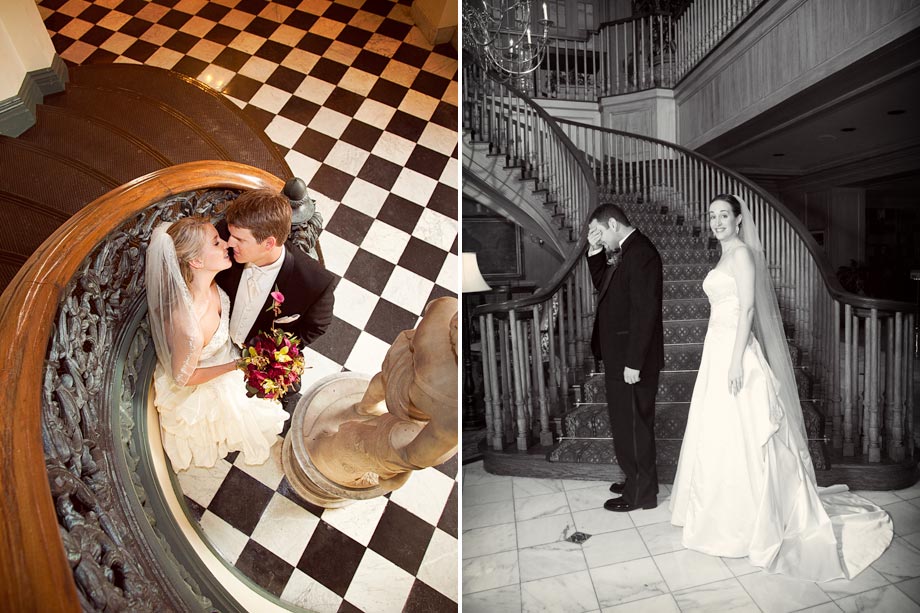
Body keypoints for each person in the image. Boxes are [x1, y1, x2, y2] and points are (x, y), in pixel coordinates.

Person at [669, 194, 892, 581]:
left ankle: (748, 520)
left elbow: (749, 309)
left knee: (745, 432)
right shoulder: (723, 255)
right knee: (718, 433)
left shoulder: (741, 255)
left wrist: (737, 359)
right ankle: (716, 513)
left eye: (724, 215)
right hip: (717, 347)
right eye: (712, 216)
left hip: (735, 352)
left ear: (739, 221)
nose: (717, 221)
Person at [145, 218, 290, 470]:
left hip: (225, 353)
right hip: (200, 379)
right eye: (216, 242)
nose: (226, 244)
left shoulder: (211, 281)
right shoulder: (189, 324)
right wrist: (235, 365)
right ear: (197, 262)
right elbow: (183, 378)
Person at [587, 203, 664, 512]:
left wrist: (633, 362)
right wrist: (594, 252)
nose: (602, 241)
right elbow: (605, 287)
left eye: (601, 234)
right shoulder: (626, 250)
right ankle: (639, 478)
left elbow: (646, 313)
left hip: (633, 359)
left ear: (614, 224)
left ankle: (640, 493)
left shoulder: (642, 254)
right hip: (621, 356)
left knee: (633, 426)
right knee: (627, 423)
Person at [216, 189, 336, 351]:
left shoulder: (316, 282)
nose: (229, 243)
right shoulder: (222, 235)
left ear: (269, 244)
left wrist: (273, 353)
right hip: (215, 340)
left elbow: (316, 327)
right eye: (231, 235)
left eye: (240, 239)